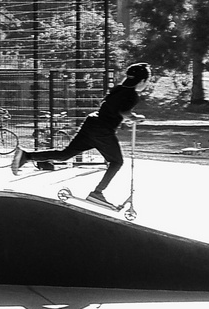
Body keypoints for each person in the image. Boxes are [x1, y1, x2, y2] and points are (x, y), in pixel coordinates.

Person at [13, 62, 151, 204]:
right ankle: (97, 193)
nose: (146, 84)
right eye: (147, 81)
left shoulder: (118, 89)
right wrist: (135, 118)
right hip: (102, 131)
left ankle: (27, 156)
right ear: (142, 81)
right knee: (116, 162)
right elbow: (123, 111)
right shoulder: (132, 95)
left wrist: (126, 118)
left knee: (65, 154)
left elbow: (113, 109)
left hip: (91, 123)